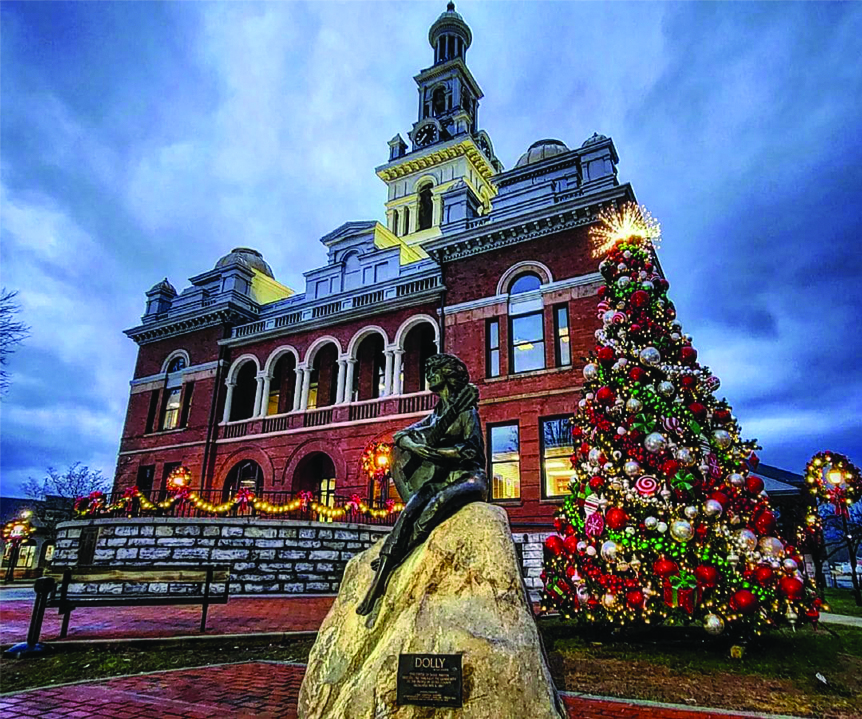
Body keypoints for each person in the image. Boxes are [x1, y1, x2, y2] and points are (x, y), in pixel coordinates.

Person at [356, 353, 488, 616]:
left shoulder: (466, 409)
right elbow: (400, 436)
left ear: (446, 375)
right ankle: (380, 580)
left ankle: (400, 554)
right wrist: (417, 447)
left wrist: (435, 454)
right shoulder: (437, 414)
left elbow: (472, 451)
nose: (429, 376)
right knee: (411, 507)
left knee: (437, 504)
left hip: (469, 478)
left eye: (433, 371)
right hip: (439, 478)